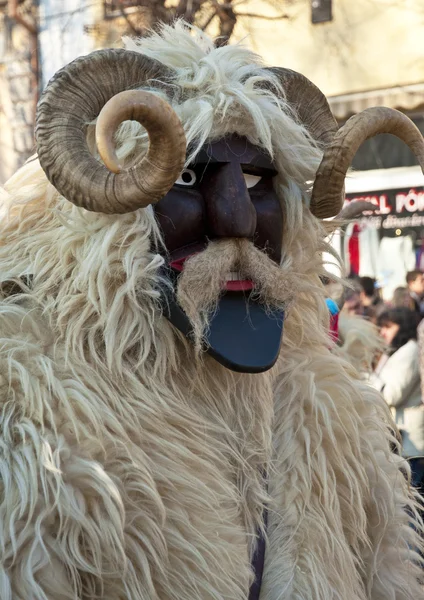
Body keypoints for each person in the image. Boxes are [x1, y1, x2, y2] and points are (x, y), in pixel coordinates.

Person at [1, 21, 424, 599]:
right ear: (104, 207)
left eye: (256, 182)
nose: (239, 221)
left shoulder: (334, 412)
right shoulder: (29, 417)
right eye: (188, 176)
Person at [371, 308, 424, 462]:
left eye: (388, 327)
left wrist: (370, 375)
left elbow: (391, 395)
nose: (383, 333)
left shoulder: (409, 351)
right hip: (403, 435)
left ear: (402, 327)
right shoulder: (399, 351)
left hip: (410, 439)